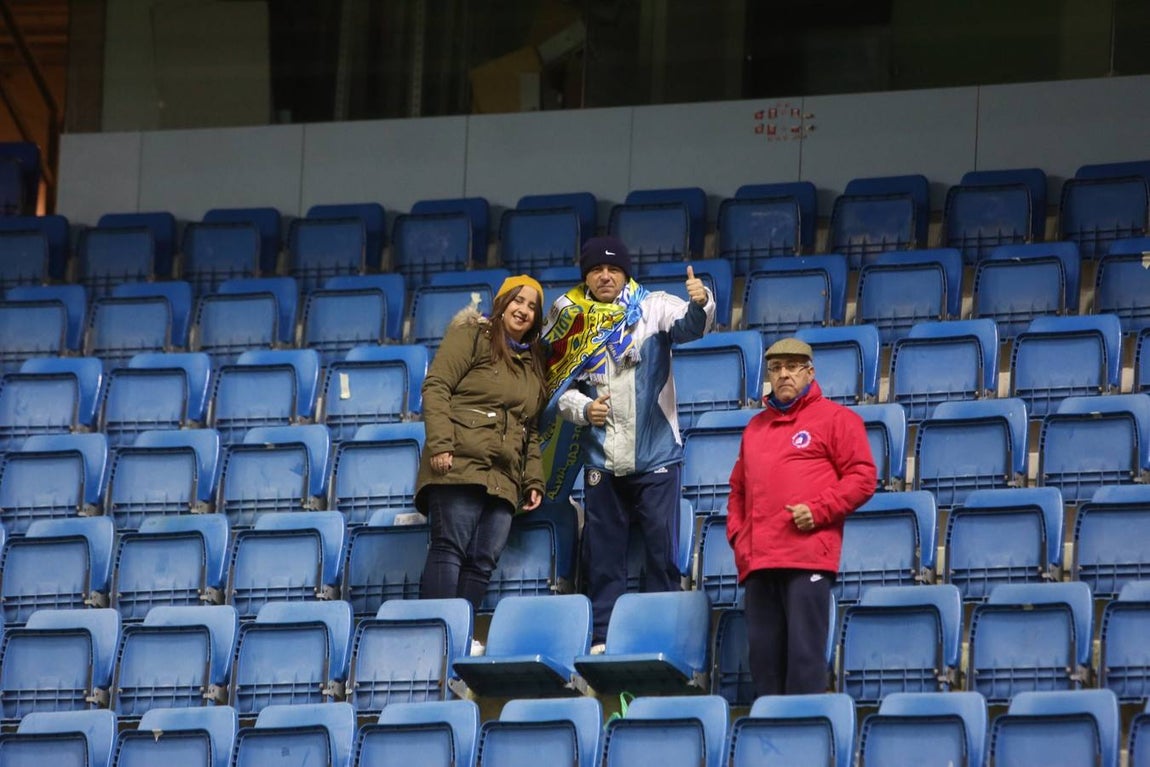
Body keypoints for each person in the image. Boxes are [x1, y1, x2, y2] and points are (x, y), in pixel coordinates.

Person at [544, 235, 715, 647]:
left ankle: (662, 637)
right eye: (597, 269)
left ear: (625, 273)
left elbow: (694, 327)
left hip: (656, 456)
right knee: (602, 558)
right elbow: (553, 386)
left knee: (660, 553)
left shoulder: (653, 307)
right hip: (600, 460)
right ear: (586, 274)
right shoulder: (569, 317)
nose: (606, 276)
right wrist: (584, 410)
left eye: (614, 269)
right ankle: (605, 638)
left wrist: (702, 300)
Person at [726, 337, 876, 695]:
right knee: (764, 667)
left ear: (810, 372)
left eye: (792, 367)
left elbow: (863, 477)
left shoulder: (838, 419)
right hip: (759, 563)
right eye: (776, 369)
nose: (783, 375)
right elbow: (738, 492)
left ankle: (806, 743)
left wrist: (819, 510)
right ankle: (770, 743)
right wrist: (739, 539)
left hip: (807, 558)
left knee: (804, 664)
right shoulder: (755, 428)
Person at [416, 275, 548, 616]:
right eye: (518, 301)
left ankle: (457, 637)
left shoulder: (533, 365)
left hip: (504, 477)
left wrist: (533, 478)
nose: (524, 310)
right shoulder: (472, 335)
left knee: (482, 562)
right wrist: (442, 445)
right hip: (459, 463)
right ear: (502, 304)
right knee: (449, 549)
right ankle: (437, 634)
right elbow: (436, 387)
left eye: (532, 306)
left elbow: (528, 429)